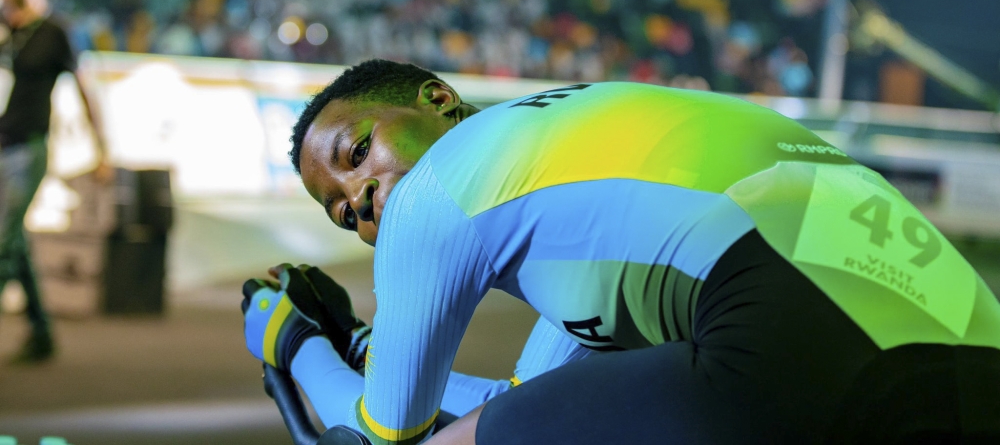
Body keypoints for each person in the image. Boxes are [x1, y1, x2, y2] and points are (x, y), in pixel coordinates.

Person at [243, 59, 1000, 444]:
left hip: (776, 357)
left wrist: (296, 340)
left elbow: (382, 436)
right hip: (974, 358)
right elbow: (522, 405)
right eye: (341, 213)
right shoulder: (576, 185)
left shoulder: (436, 191)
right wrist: (368, 346)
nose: (360, 199)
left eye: (356, 152)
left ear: (439, 100)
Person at [0, 0, 109, 364]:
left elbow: (86, 92)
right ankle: (42, 331)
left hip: (29, 150)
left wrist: (102, 150)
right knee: (16, 243)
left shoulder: (56, 32)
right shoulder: (8, 29)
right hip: (3, 147)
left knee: (3, 241)